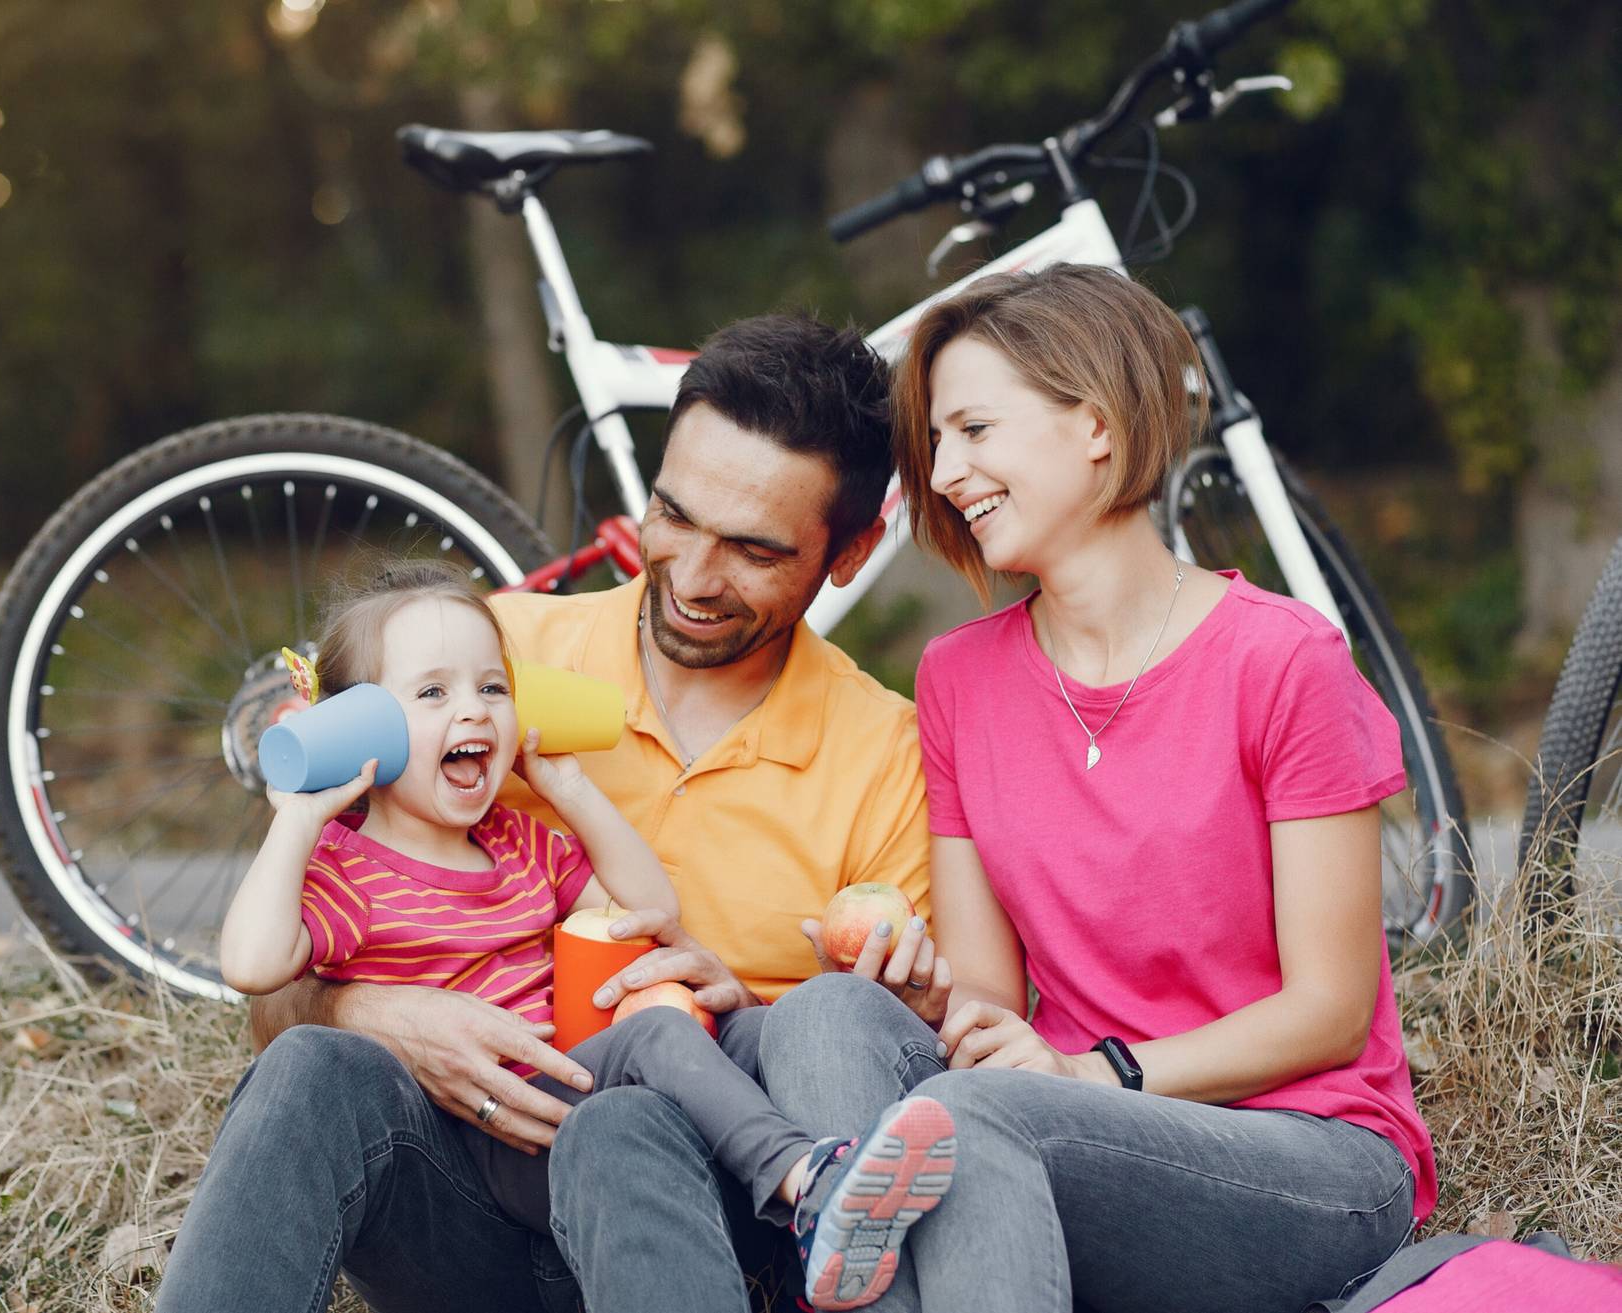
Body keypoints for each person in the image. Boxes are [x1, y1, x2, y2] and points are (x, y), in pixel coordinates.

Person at [153, 314, 954, 1313]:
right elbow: (277, 982)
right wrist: (374, 1009)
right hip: (472, 1210)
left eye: (751, 549)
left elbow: (885, 1051)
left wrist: (748, 1005)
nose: (696, 576)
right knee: (312, 1064)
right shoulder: (485, 659)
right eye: (675, 514)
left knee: (651, 1109)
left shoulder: (889, 757)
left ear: (851, 551)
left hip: (710, 1228)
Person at [881, 263, 1436, 1310]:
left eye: (973, 429)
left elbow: (1328, 1009)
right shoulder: (957, 678)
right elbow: (992, 997)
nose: (945, 470)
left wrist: (1101, 1074)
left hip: (1313, 1152)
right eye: (937, 442)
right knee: (843, 1026)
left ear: (1094, 423)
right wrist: (928, 994)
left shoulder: (1284, 660)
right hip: (1077, 1132)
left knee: (973, 1125)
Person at [215, 558, 956, 1310]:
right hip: (483, 1148)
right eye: (433, 691)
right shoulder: (347, 870)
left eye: (494, 687)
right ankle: (806, 1181)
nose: (473, 711)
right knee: (653, 1033)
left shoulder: (520, 844)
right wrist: (300, 816)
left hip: (577, 1117)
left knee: (741, 1028)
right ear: (359, 727)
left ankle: (826, 1191)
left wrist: (566, 783)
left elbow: (647, 906)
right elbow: (252, 963)